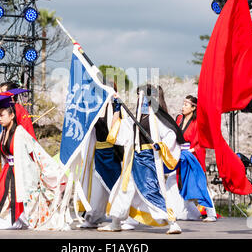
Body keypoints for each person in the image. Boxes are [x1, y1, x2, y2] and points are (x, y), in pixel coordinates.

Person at [0, 90, 68, 230]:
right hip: (8, 172)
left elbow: (37, 152)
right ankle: (17, 220)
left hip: (22, 173)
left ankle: (19, 220)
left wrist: (50, 170)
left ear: (12, 115)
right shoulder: (3, 133)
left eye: (2, 115)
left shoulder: (21, 133)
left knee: (18, 209)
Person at [97, 84, 183, 234]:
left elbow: (170, 134)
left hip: (147, 158)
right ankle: (116, 222)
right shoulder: (135, 116)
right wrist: (117, 109)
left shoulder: (156, 116)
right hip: (133, 158)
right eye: (137, 95)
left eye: (140, 95)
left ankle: (172, 222)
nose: (138, 98)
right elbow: (119, 132)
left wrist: (160, 145)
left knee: (150, 190)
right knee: (122, 189)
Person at [165, 95, 217, 222]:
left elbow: (203, 141)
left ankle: (211, 213)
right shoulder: (179, 119)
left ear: (193, 108)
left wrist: (192, 150)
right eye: (183, 104)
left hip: (192, 156)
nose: (183, 107)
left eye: (186, 105)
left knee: (200, 184)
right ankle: (174, 212)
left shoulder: (198, 122)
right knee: (173, 183)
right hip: (180, 156)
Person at [77, 91, 124, 229]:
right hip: (98, 153)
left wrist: (117, 105)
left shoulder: (116, 107)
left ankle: (121, 218)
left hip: (113, 153)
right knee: (97, 189)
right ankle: (93, 217)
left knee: (115, 186)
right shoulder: (95, 108)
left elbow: (115, 128)